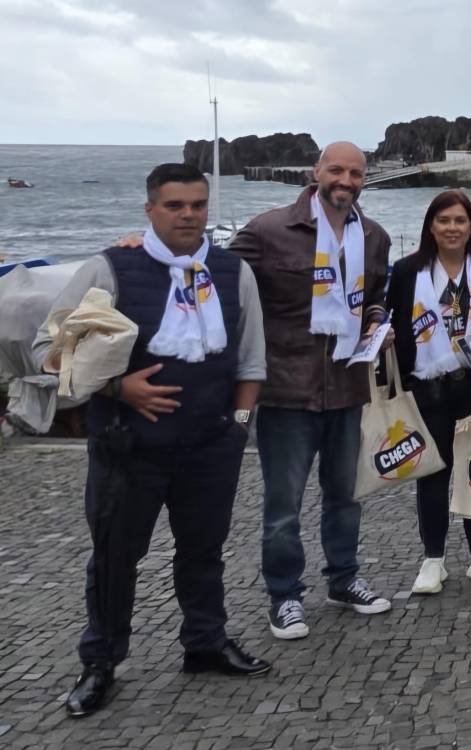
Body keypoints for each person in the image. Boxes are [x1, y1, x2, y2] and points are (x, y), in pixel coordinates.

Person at [36, 164, 271, 718]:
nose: (188, 215)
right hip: (127, 447)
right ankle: (101, 661)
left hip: (211, 446)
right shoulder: (110, 268)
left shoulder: (233, 272)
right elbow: (50, 350)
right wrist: (118, 387)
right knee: (114, 558)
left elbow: (252, 359)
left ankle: (205, 643)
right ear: (150, 209)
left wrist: (238, 427)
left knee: (203, 551)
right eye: (174, 205)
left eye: (198, 205)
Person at [228, 142, 395, 639]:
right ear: (316, 171)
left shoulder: (375, 237)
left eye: (356, 173)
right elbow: (215, 275)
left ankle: (343, 579)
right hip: (286, 392)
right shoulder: (269, 231)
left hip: (347, 388)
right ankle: (284, 595)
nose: (346, 181)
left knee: (346, 497)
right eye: (336, 170)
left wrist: (376, 321)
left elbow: (376, 296)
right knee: (284, 506)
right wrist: (141, 244)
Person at [387, 190, 471, 595]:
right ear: (431, 225)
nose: (452, 228)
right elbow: (393, 323)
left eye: (460, 220)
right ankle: (433, 558)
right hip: (427, 389)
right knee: (432, 473)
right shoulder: (408, 271)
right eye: (443, 220)